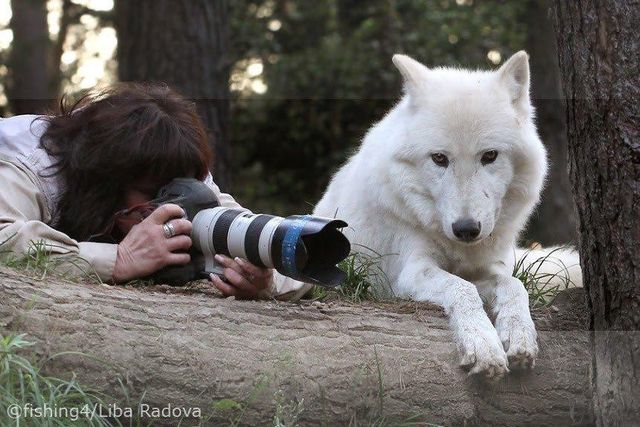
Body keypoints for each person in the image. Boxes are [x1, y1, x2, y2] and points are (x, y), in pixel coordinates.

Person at [0, 82, 272, 299]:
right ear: (106, 185)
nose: (174, 207)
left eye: (181, 188)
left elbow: (269, 238)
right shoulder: (31, 164)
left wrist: (261, 278)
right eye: (153, 194)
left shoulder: (181, 172)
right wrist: (119, 259)